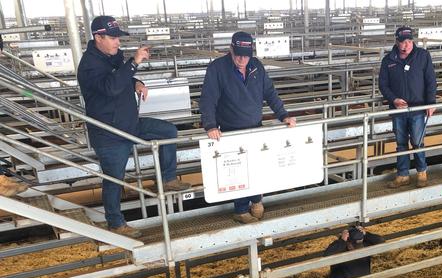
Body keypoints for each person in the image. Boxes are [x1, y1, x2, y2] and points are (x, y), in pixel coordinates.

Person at [77, 16, 190, 238]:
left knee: (168, 131)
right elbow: (110, 86)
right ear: (97, 37)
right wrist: (134, 62)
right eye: (112, 38)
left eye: (118, 37)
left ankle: (167, 179)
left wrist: (136, 82)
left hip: (129, 123)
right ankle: (116, 222)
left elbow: (122, 79)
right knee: (114, 178)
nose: (117, 42)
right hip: (109, 132)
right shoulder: (89, 65)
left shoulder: (111, 56)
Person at [199, 32, 296, 224]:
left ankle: (257, 199)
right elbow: (207, 99)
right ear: (231, 49)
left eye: (246, 54)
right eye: (238, 54)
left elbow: (270, 92)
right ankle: (241, 209)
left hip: (255, 127)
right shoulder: (217, 68)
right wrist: (210, 125)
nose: (242, 59)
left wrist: (283, 115)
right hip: (230, 129)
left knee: (258, 165)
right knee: (239, 170)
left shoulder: (256, 66)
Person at [379, 26, 437, 189]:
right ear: (397, 42)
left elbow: (431, 81)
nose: (407, 45)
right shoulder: (388, 60)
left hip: (418, 107)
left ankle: (421, 172)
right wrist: (394, 99)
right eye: (403, 42)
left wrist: (431, 102)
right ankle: (403, 174)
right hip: (399, 109)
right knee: (401, 143)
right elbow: (383, 85)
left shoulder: (422, 56)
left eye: (410, 41)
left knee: (418, 141)